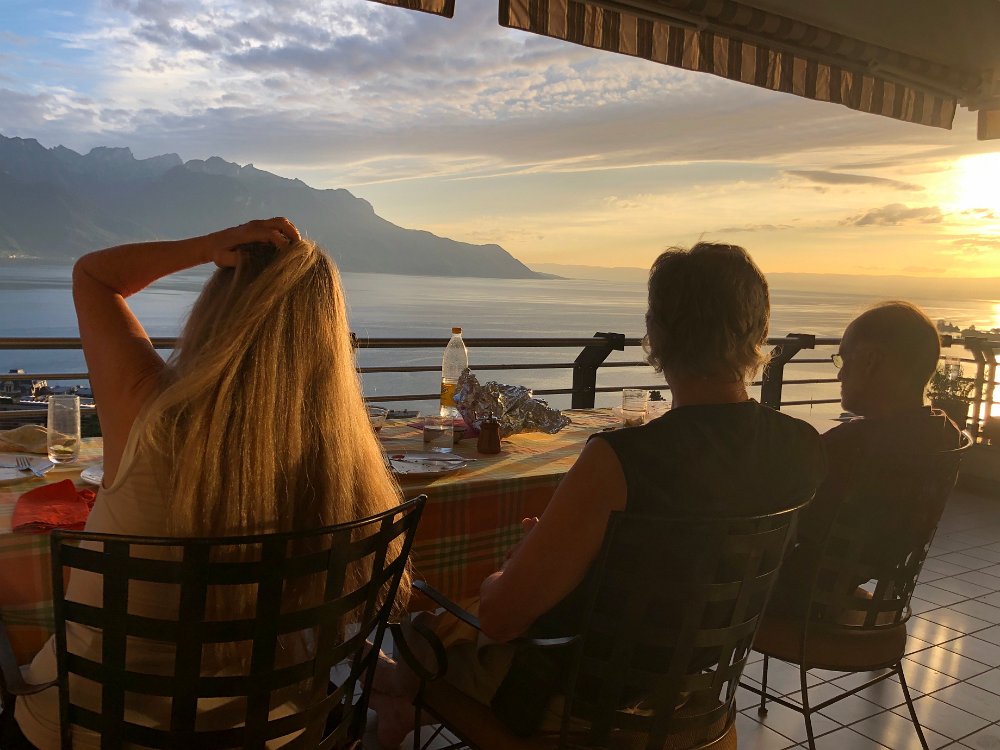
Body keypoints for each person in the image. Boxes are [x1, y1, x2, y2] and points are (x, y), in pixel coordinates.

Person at [371, 242, 827, 744]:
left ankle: (387, 698)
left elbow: (500, 619)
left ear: (656, 334)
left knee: (420, 633)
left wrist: (516, 563)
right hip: (692, 695)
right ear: (759, 333)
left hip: (576, 707)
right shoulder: (802, 447)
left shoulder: (620, 461)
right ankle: (396, 704)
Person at [3, 219, 407, 750]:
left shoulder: (147, 415)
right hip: (269, 733)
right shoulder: (342, 468)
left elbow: (93, 276)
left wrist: (206, 247)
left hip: (89, 730)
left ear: (215, 314)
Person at [770, 301, 964, 611]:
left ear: (871, 361)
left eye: (844, 361)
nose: (840, 375)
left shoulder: (847, 448)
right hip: (851, 584)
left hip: (793, 598)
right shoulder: (946, 436)